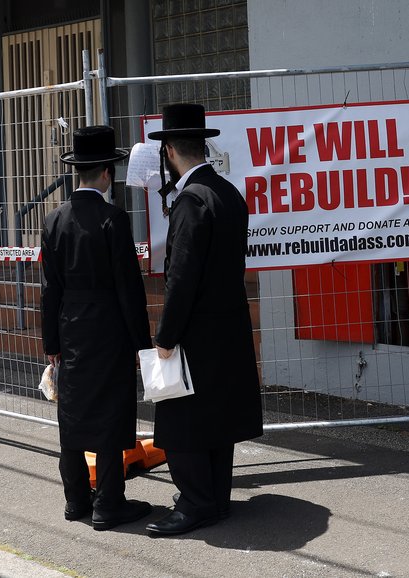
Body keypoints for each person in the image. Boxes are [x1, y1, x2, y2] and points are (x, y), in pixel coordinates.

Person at [144, 104, 263, 536]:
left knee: (184, 420)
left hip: (197, 327)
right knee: (218, 415)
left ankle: (195, 503)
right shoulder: (228, 192)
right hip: (229, 322)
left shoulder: (191, 200)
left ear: (170, 149)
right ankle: (216, 499)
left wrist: (167, 335)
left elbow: (182, 276)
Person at [41, 125, 153, 531]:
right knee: (109, 412)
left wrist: (50, 342)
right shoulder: (113, 219)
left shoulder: (53, 221)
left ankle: (76, 500)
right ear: (107, 173)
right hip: (109, 329)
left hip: (69, 329)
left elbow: (49, 290)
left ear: (78, 172)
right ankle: (108, 502)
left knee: (71, 411)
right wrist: (143, 344)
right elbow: (129, 288)